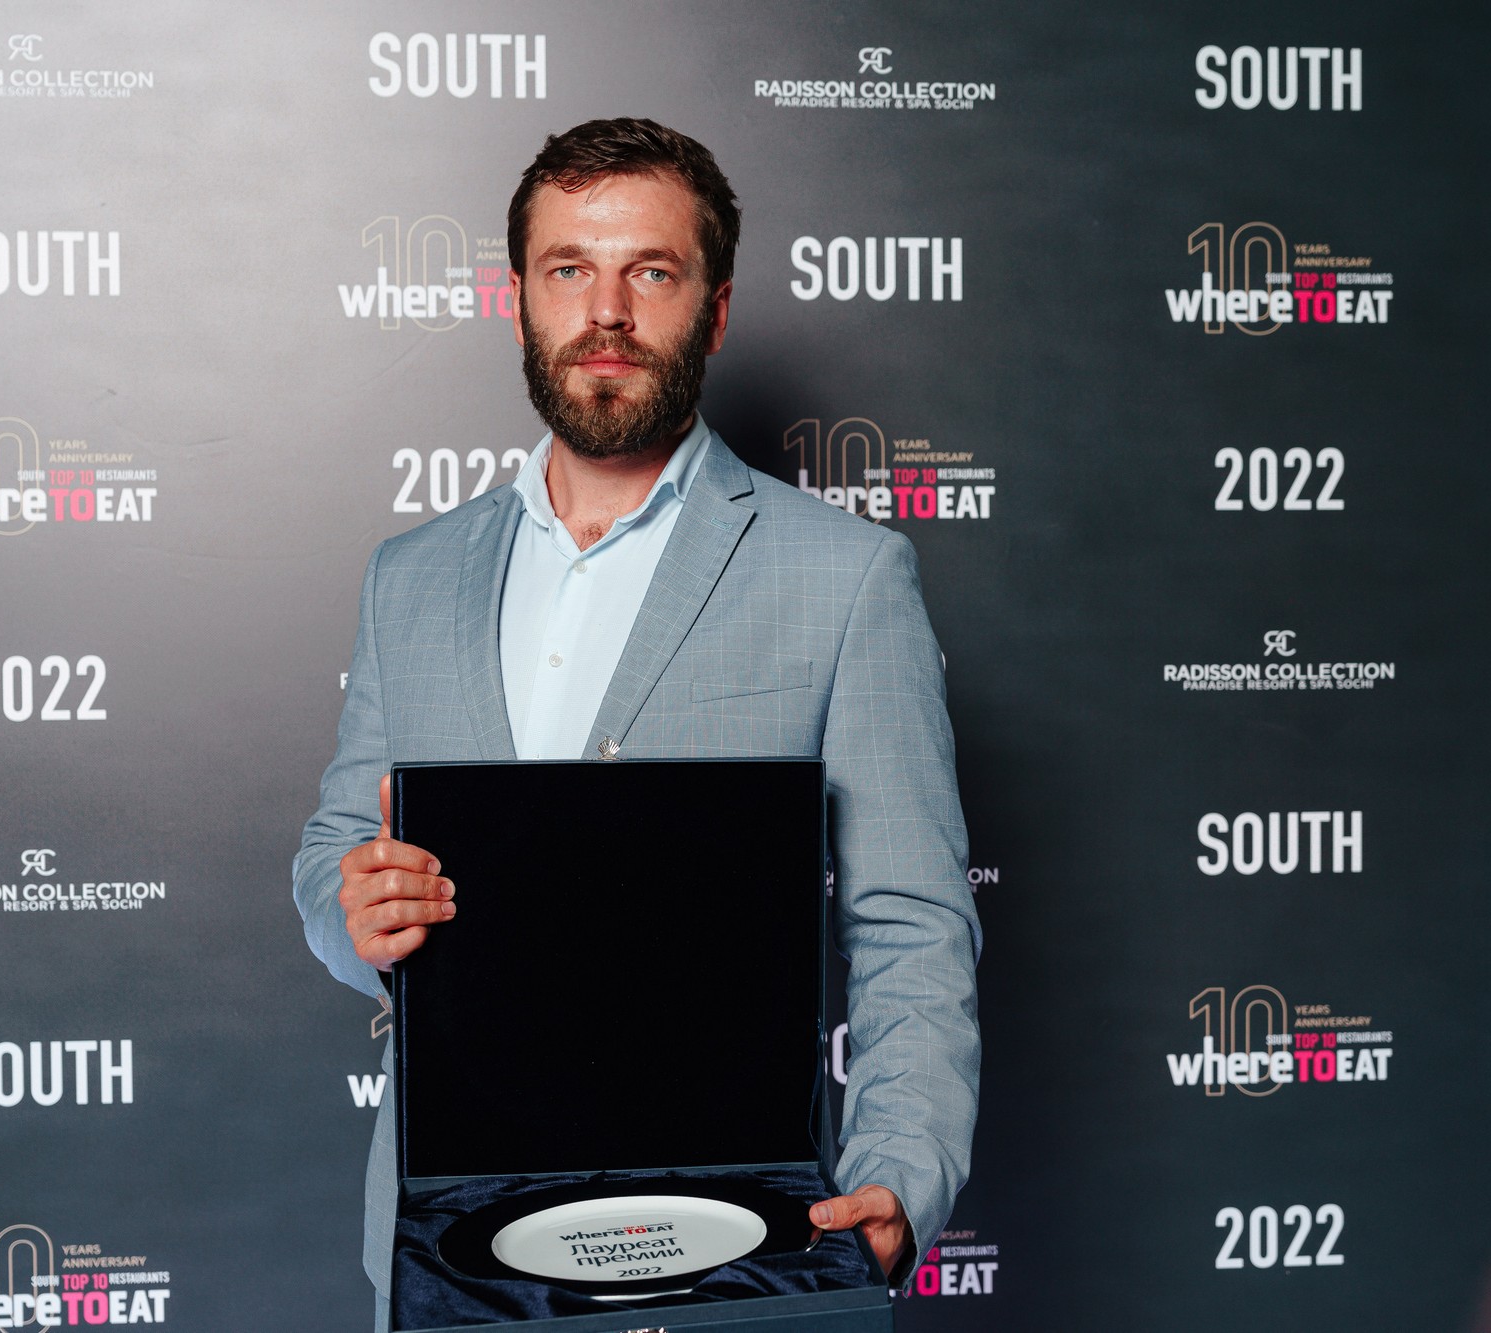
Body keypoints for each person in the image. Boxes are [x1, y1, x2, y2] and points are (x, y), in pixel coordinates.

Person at [293, 117, 980, 1330]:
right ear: (518, 298)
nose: (604, 311)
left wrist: (901, 1171)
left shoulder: (845, 577)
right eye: (569, 269)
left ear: (713, 311)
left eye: (650, 272)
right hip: (447, 1246)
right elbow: (335, 855)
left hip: (733, 1250)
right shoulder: (410, 576)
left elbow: (910, 925)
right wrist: (353, 913)